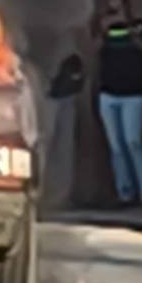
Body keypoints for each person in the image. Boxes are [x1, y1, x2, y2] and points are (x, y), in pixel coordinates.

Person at [96, 0, 142, 205]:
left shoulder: (140, 27)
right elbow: (94, 43)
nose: (115, 14)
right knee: (116, 147)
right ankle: (125, 193)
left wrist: (128, 28)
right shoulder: (105, 29)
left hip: (133, 94)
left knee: (133, 141)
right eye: (111, 9)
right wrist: (106, 25)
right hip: (108, 94)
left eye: (118, 8)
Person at [38, 53, 84, 214]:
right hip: (50, 99)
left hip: (60, 98)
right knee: (50, 148)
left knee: (60, 148)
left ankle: (55, 197)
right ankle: (46, 196)